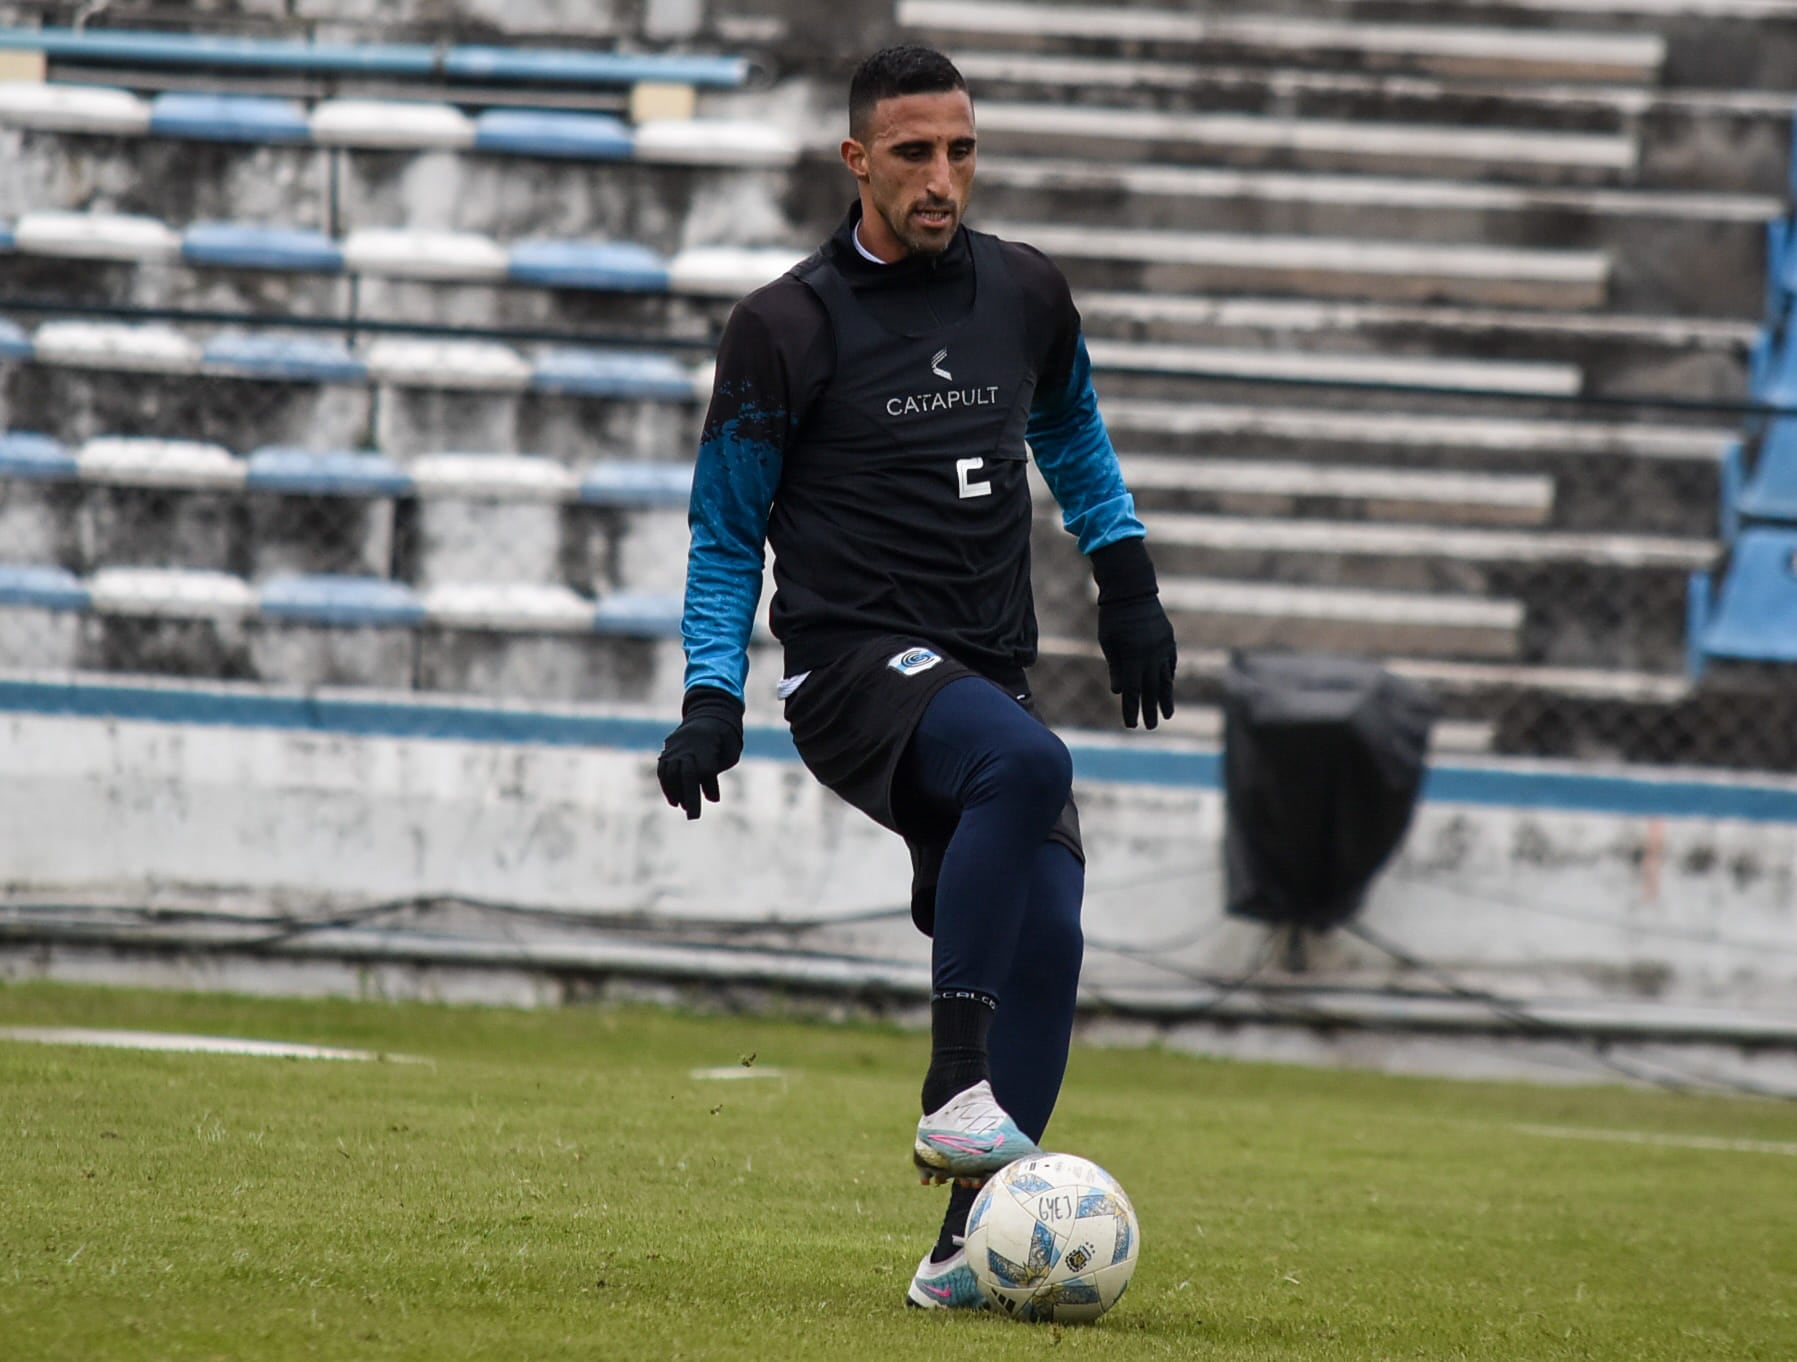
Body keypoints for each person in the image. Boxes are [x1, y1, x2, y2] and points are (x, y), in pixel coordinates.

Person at [656, 44, 1177, 1311]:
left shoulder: (1024, 293)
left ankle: (965, 1249)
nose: (941, 177)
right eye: (912, 153)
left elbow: (1074, 430)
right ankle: (956, 1093)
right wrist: (711, 696)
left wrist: (1127, 577)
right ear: (856, 161)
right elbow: (727, 528)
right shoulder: (782, 326)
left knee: (1050, 931)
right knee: (1029, 762)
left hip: (986, 671)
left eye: (960, 150)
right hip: (848, 671)